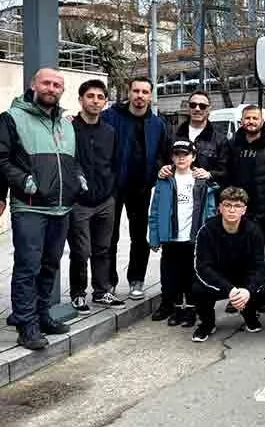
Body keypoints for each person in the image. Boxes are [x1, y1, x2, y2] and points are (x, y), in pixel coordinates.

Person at [0, 69, 85, 349]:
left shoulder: (66, 123)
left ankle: (42, 315)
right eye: (46, 83)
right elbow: (2, 159)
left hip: (61, 208)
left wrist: (78, 178)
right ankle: (26, 325)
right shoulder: (12, 118)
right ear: (33, 85)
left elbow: (72, 160)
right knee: (28, 267)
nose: (51, 88)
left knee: (50, 265)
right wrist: (24, 182)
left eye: (57, 85)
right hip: (30, 207)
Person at [101, 76, 170, 300]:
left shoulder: (157, 124)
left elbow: (163, 154)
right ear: (129, 93)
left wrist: (155, 173)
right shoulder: (110, 117)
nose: (140, 96)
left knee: (139, 237)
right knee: (108, 237)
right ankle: (108, 282)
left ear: (151, 96)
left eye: (145, 92)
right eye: (136, 91)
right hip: (113, 187)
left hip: (141, 188)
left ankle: (137, 280)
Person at [221, 105, 265, 312]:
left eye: (255, 118)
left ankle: (261, 294)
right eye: (247, 118)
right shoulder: (232, 144)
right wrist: (223, 204)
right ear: (241, 121)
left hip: (263, 210)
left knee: (262, 254)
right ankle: (237, 296)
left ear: (262, 120)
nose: (251, 122)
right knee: (237, 254)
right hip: (238, 211)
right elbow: (225, 175)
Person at [69, 79, 124, 314]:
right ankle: (78, 294)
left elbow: (115, 163)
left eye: (100, 97)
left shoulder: (109, 131)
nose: (95, 101)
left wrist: (112, 193)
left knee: (103, 248)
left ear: (106, 102)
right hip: (79, 202)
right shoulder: (69, 128)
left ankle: (102, 291)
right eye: (90, 96)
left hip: (105, 200)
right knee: (81, 251)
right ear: (80, 99)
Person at [149, 140, 218, 327]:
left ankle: (191, 309)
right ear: (171, 157)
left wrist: (210, 237)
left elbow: (210, 211)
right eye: (177, 154)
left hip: (193, 237)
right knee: (171, 275)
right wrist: (154, 236)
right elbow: (155, 210)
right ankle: (177, 308)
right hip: (171, 237)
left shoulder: (201, 181)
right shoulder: (164, 180)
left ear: (193, 157)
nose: (181, 158)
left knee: (191, 275)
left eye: (185, 154)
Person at [192, 186, 265, 342]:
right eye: (227, 205)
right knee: (197, 288)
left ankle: (250, 315)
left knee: (262, 287)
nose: (232, 210)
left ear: (244, 210)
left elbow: (260, 266)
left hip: (244, 279)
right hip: (219, 279)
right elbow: (202, 267)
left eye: (237, 206)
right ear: (220, 208)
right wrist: (229, 289)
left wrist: (247, 290)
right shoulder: (206, 231)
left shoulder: (254, 231)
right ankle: (207, 323)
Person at [158, 90, 226, 182]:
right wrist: (162, 169)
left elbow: (225, 171)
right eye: (193, 105)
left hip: (206, 189)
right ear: (188, 107)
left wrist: (209, 174)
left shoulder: (220, 140)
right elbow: (161, 160)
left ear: (209, 109)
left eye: (202, 106)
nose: (197, 109)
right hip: (176, 188)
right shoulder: (172, 136)